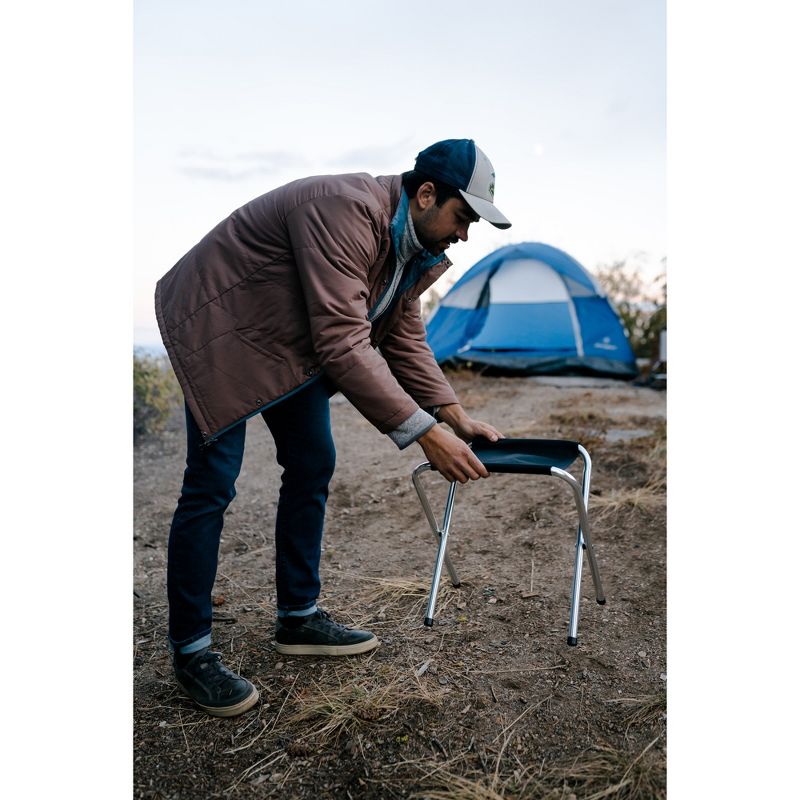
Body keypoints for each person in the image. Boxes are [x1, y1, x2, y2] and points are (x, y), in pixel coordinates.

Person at [155, 138, 511, 717]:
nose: (465, 235)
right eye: (463, 217)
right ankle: (191, 651)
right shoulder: (345, 210)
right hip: (219, 324)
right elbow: (344, 342)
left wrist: (454, 415)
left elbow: (402, 337)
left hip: (286, 339)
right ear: (426, 194)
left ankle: (298, 618)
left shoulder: (409, 245)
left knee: (313, 460)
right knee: (212, 483)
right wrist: (425, 433)